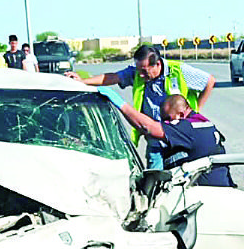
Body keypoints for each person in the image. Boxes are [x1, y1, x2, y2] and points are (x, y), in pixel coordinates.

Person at [66, 44, 215, 170]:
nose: (140, 75)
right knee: (154, 182)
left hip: (178, 138)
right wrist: (83, 81)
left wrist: (196, 112)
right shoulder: (137, 72)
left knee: (180, 179)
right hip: (155, 139)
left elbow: (209, 81)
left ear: (157, 64)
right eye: (139, 70)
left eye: (144, 71)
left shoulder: (180, 71)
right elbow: (113, 77)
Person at [99, 90, 233, 187]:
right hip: (214, 189)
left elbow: (147, 127)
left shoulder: (188, 128)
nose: (167, 124)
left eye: (168, 119)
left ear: (181, 114)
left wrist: (121, 104)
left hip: (206, 194)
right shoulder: (201, 123)